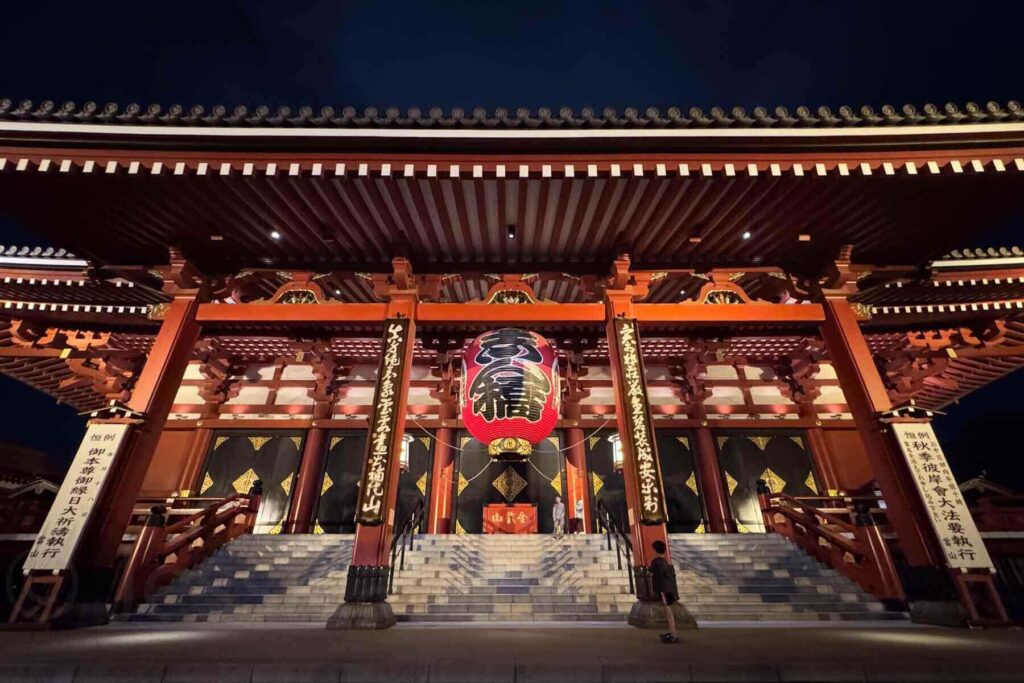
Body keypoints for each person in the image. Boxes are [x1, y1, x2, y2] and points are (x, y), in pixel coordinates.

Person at [650, 540, 680, 644]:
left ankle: (674, 635)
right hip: (669, 589)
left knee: (668, 613)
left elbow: (651, 571)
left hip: (663, 590)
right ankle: (672, 633)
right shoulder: (665, 562)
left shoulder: (656, 562)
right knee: (669, 613)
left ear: (655, 550)